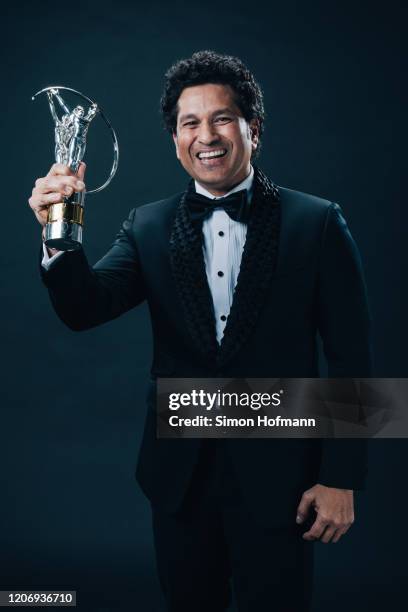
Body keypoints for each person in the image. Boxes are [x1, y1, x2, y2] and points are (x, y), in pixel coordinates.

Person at [28, 50, 372, 612]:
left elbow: (353, 354)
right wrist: (59, 230)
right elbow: (83, 308)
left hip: (283, 480)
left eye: (221, 119)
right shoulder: (148, 224)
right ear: (175, 138)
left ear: (252, 130)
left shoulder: (318, 221)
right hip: (178, 480)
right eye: (190, 123)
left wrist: (342, 478)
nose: (205, 136)